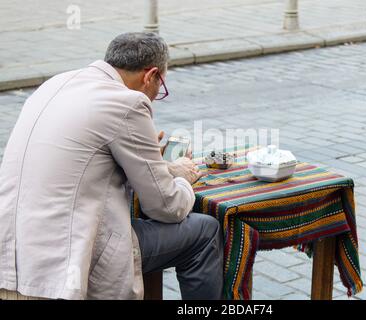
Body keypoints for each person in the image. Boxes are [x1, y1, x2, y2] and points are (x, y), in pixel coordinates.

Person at [0, 32, 223, 300]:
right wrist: (184, 179)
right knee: (205, 232)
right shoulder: (127, 102)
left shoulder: (56, 83)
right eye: (160, 86)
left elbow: (87, 161)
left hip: (11, 254)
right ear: (150, 75)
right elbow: (166, 207)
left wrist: (156, 162)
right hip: (64, 260)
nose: (155, 95)